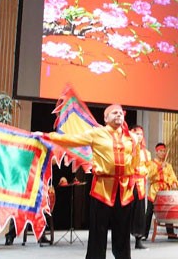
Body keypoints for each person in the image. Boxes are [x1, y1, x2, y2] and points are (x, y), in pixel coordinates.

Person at [42, 104, 140, 259]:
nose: (119, 115)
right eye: (114, 113)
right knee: (97, 232)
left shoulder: (132, 138)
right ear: (105, 118)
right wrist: (47, 136)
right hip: (102, 190)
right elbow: (72, 139)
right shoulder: (97, 134)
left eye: (121, 113)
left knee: (122, 232)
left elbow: (136, 161)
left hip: (124, 192)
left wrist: (133, 180)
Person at [144, 143, 178, 240]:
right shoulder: (151, 164)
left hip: (165, 191)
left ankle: (170, 234)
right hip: (155, 191)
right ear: (156, 152)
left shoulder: (168, 165)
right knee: (149, 213)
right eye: (161, 151)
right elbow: (149, 175)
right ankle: (144, 234)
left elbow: (172, 176)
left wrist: (174, 183)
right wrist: (160, 168)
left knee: (168, 212)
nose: (163, 153)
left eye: (164, 151)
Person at [129, 125, 151, 249]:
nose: (139, 136)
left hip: (140, 184)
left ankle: (138, 240)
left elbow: (148, 167)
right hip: (128, 184)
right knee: (127, 211)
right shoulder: (127, 149)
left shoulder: (146, 153)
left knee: (139, 212)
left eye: (141, 134)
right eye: (136, 133)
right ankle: (123, 240)